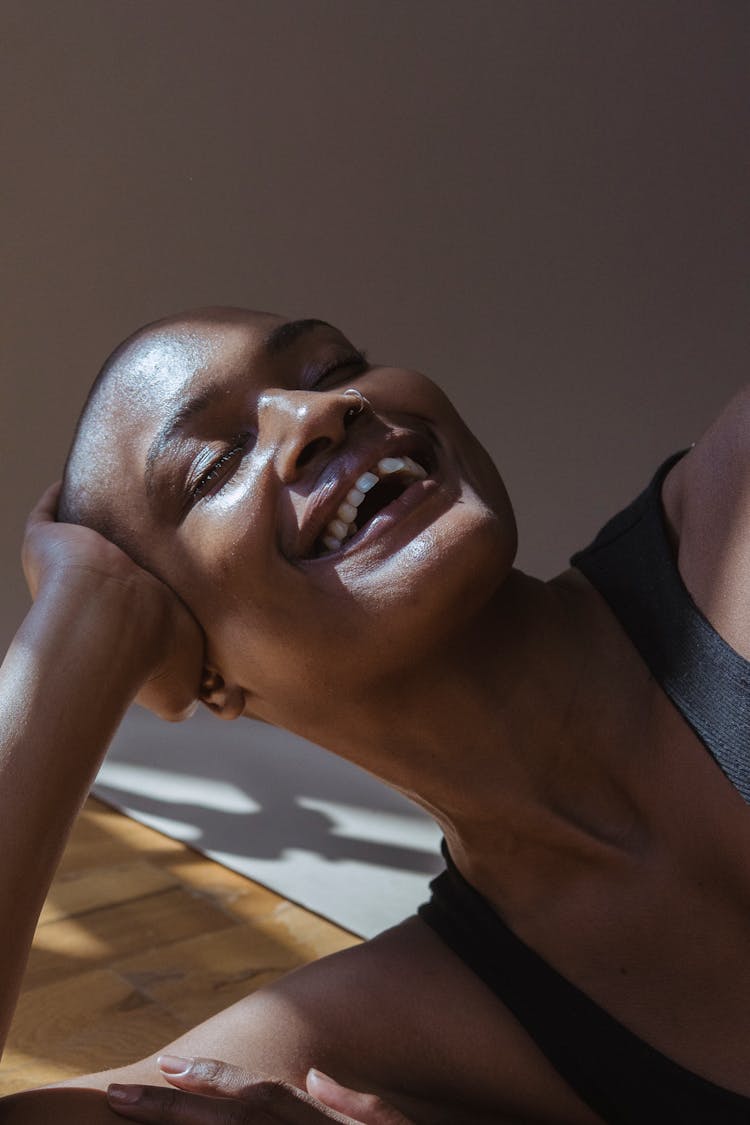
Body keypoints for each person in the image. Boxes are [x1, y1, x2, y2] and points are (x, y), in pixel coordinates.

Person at [1, 306, 749, 1124]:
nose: (320, 410)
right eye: (214, 468)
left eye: (333, 368)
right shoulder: (388, 1036)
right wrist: (76, 630)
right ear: (203, 676)